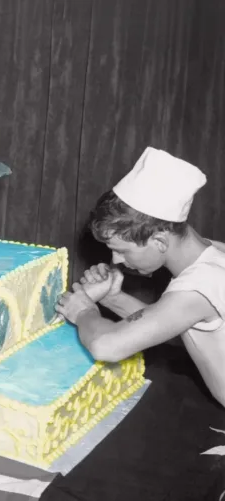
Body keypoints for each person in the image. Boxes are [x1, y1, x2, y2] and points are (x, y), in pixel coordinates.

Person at [55, 146, 225, 408]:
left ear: (158, 240)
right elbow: (170, 321)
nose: (116, 261)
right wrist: (113, 298)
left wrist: (83, 312)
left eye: (121, 251)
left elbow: (106, 346)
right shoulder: (211, 254)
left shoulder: (197, 287)